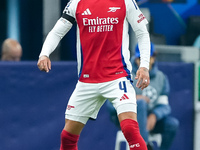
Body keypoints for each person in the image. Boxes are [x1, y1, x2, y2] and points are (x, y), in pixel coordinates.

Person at [37, 0, 151, 149]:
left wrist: (144, 66)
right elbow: (58, 31)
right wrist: (44, 54)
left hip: (117, 77)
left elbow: (142, 32)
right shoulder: (76, 3)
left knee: (130, 128)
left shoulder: (125, 1)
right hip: (87, 81)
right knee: (67, 137)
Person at [107, 43, 179, 150]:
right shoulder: (124, 74)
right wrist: (133, 100)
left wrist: (155, 115)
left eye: (147, 58)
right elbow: (110, 105)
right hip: (127, 119)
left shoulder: (161, 78)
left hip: (150, 120)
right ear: (135, 59)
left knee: (172, 124)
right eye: (140, 58)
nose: (143, 62)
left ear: (153, 57)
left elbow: (164, 106)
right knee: (140, 103)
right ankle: (144, 146)